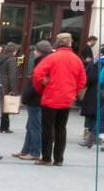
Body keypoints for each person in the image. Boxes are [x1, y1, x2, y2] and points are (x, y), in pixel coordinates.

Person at [32, 32, 87, 166]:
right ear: (70, 43)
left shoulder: (52, 57)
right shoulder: (76, 59)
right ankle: (59, 159)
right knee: (61, 129)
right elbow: (82, 80)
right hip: (67, 98)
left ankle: (46, 158)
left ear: (57, 42)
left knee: (48, 128)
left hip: (51, 97)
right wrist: (73, 92)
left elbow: (37, 74)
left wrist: (42, 88)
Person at [13, 38, 52, 161]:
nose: (34, 52)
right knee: (30, 126)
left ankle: (34, 152)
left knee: (35, 127)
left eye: (35, 50)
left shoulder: (43, 63)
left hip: (36, 100)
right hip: (35, 99)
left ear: (40, 51)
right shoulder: (44, 61)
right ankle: (26, 150)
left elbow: (37, 84)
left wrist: (26, 96)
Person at [0, 42, 20, 133]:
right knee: (6, 106)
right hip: (6, 85)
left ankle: (1, 126)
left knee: (0, 104)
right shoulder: (11, 59)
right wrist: (14, 89)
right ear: (14, 51)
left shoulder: (0, 58)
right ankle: (4, 127)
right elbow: (12, 75)